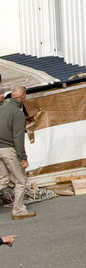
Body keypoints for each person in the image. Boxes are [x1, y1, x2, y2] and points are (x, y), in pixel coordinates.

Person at [1, 86, 32, 219]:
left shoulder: (1, 108)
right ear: (22, 96)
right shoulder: (17, 112)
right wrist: (23, 157)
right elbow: (18, 137)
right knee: (21, 180)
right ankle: (18, 210)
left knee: (3, 180)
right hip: (8, 149)